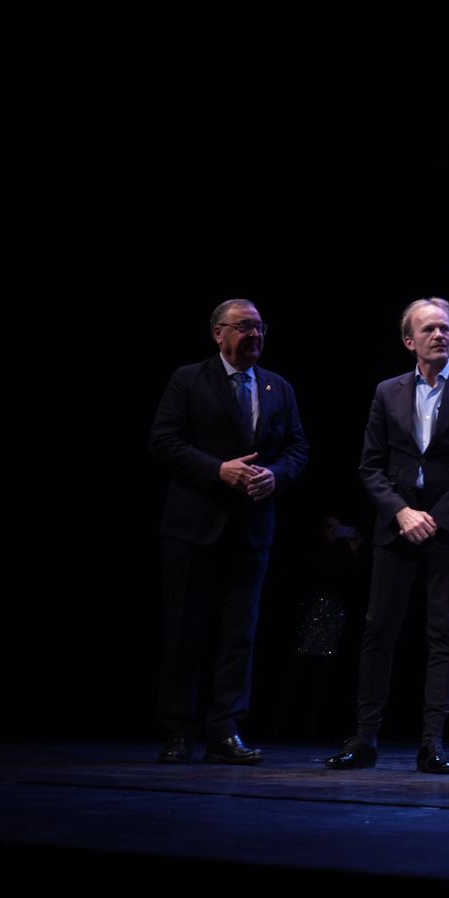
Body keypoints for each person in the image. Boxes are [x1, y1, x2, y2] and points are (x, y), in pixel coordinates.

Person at [325, 298, 449, 775]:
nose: (439, 335)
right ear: (409, 341)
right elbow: (370, 465)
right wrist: (402, 512)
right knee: (378, 632)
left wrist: (435, 518)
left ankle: (432, 742)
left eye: (445, 328)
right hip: (395, 528)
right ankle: (364, 739)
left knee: (444, 635)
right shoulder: (387, 392)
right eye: (429, 330)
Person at [149, 299, 309, 765]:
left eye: (260, 328)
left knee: (239, 633)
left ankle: (225, 729)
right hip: (193, 527)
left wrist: (276, 475)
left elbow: (299, 448)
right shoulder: (189, 379)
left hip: (252, 529)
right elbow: (163, 440)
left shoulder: (278, 387)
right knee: (185, 630)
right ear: (218, 334)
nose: (254, 335)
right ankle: (178, 730)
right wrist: (218, 470)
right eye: (244, 327)